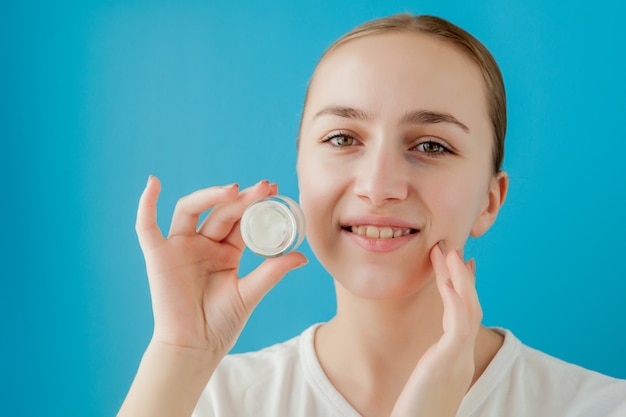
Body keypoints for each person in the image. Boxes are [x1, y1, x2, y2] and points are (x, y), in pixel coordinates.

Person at [117, 14, 626, 417]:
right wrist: (181, 356)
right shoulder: (202, 400)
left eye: (431, 145)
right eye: (343, 139)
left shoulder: (602, 408)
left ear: (490, 200)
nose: (379, 187)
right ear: (300, 170)